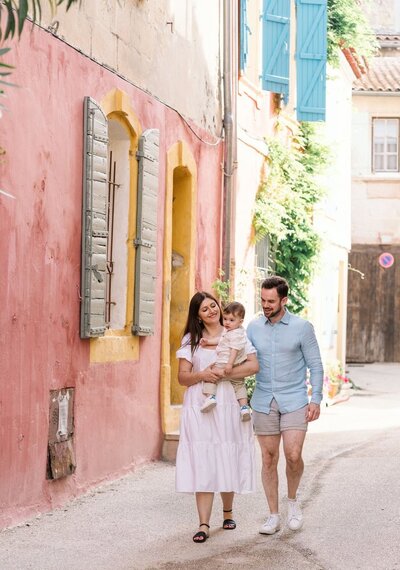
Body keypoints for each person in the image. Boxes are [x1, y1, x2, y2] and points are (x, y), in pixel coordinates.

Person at [175, 291, 259, 543]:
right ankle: (203, 523)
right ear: (198, 317)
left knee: (226, 453)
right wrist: (203, 375)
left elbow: (253, 366)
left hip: (229, 403)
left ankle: (228, 512)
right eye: (204, 309)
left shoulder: (235, 333)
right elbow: (182, 377)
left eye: (213, 305)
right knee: (203, 457)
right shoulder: (192, 339)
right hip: (200, 404)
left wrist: (221, 374)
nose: (211, 311)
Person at [246, 276, 323, 535]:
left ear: (284, 300)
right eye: (263, 300)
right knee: (268, 458)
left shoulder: (302, 327)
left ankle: (293, 503)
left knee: (292, 455)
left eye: (271, 301)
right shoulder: (253, 328)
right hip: (263, 400)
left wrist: (316, 399)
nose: (266, 305)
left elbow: (316, 365)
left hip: (294, 400)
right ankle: (273, 515)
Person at [199, 301, 252, 421]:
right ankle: (244, 407)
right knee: (239, 384)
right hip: (236, 364)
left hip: (225, 362)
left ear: (240, 321)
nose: (227, 322)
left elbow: (234, 349)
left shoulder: (236, 334)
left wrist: (229, 364)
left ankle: (210, 397)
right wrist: (208, 342)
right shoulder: (231, 332)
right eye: (226, 319)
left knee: (211, 375)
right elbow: (221, 340)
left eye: (231, 320)